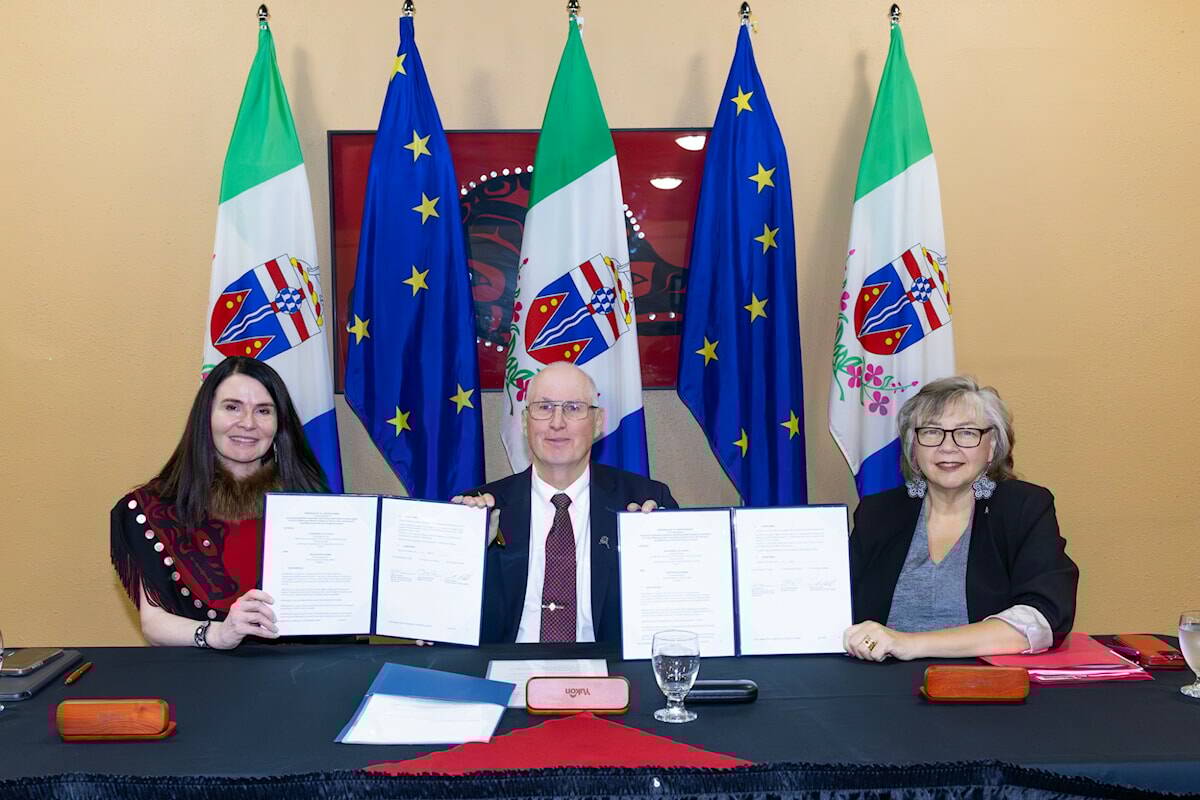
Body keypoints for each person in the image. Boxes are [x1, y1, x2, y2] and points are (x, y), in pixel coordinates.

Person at [843, 376, 1078, 661]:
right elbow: (839, 605)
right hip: (878, 680)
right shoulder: (877, 513)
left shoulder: (1023, 508)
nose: (947, 447)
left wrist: (909, 643)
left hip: (982, 682)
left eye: (966, 433)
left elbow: (1042, 618)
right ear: (913, 448)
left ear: (992, 446)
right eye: (932, 432)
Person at [110, 356, 327, 649]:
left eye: (263, 410)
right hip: (203, 671)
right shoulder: (150, 510)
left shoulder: (316, 507)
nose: (248, 423)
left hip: (305, 670)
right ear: (206, 416)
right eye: (232, 407)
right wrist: (218, 634)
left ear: (280, 424)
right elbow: (154, 623)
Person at [453, 361, 677, 644]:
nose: (557, 422)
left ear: (598, 422)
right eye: (544, 407)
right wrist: (462, 552)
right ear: (525, 422)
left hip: (609, 666)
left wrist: (658, 548)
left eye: (573, 407)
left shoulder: (645, 501)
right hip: (505, 666)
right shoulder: (479, 509)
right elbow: (444, 617)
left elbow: (679, 610)